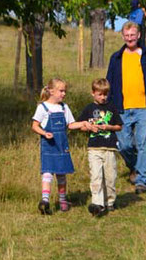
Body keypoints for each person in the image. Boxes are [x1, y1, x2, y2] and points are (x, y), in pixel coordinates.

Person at [31, 78, 97, 215]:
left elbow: (70, 125)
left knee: (61, 174)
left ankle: (62, 200)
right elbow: (34, 126)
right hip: (49, 146)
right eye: (61, 91)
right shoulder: (42, 108)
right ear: (51, 91)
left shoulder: (64, 107)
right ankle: (45, 200)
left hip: (61, 145)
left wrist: (83, 123)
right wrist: (44, 133)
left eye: (65, 91)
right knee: (47, 172)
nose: (64, 94)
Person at [106, 21, 146, 194]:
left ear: (138, 35)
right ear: (123, 36)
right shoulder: (116, 58)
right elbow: (109, 83)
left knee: (144, 144)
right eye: (126, 35)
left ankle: (142, 180)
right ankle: (135, 166)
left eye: (132, 35)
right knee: (124, 145)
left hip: (143, 107)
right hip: (121, 108)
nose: (130, 38)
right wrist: (109, 106)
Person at [76, 78, 123, 217]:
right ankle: (98, 204)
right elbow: (80, 125)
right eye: (100, 94)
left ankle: (110, 201)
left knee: (110, 177)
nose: (103, 97)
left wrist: (107, 127)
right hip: (94, 148)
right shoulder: (88, 109)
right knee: (96, 177)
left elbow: (119, 126)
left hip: (109, 148)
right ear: (93, 93)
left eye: (105, 94)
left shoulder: (112, 108)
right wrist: (88, 127)